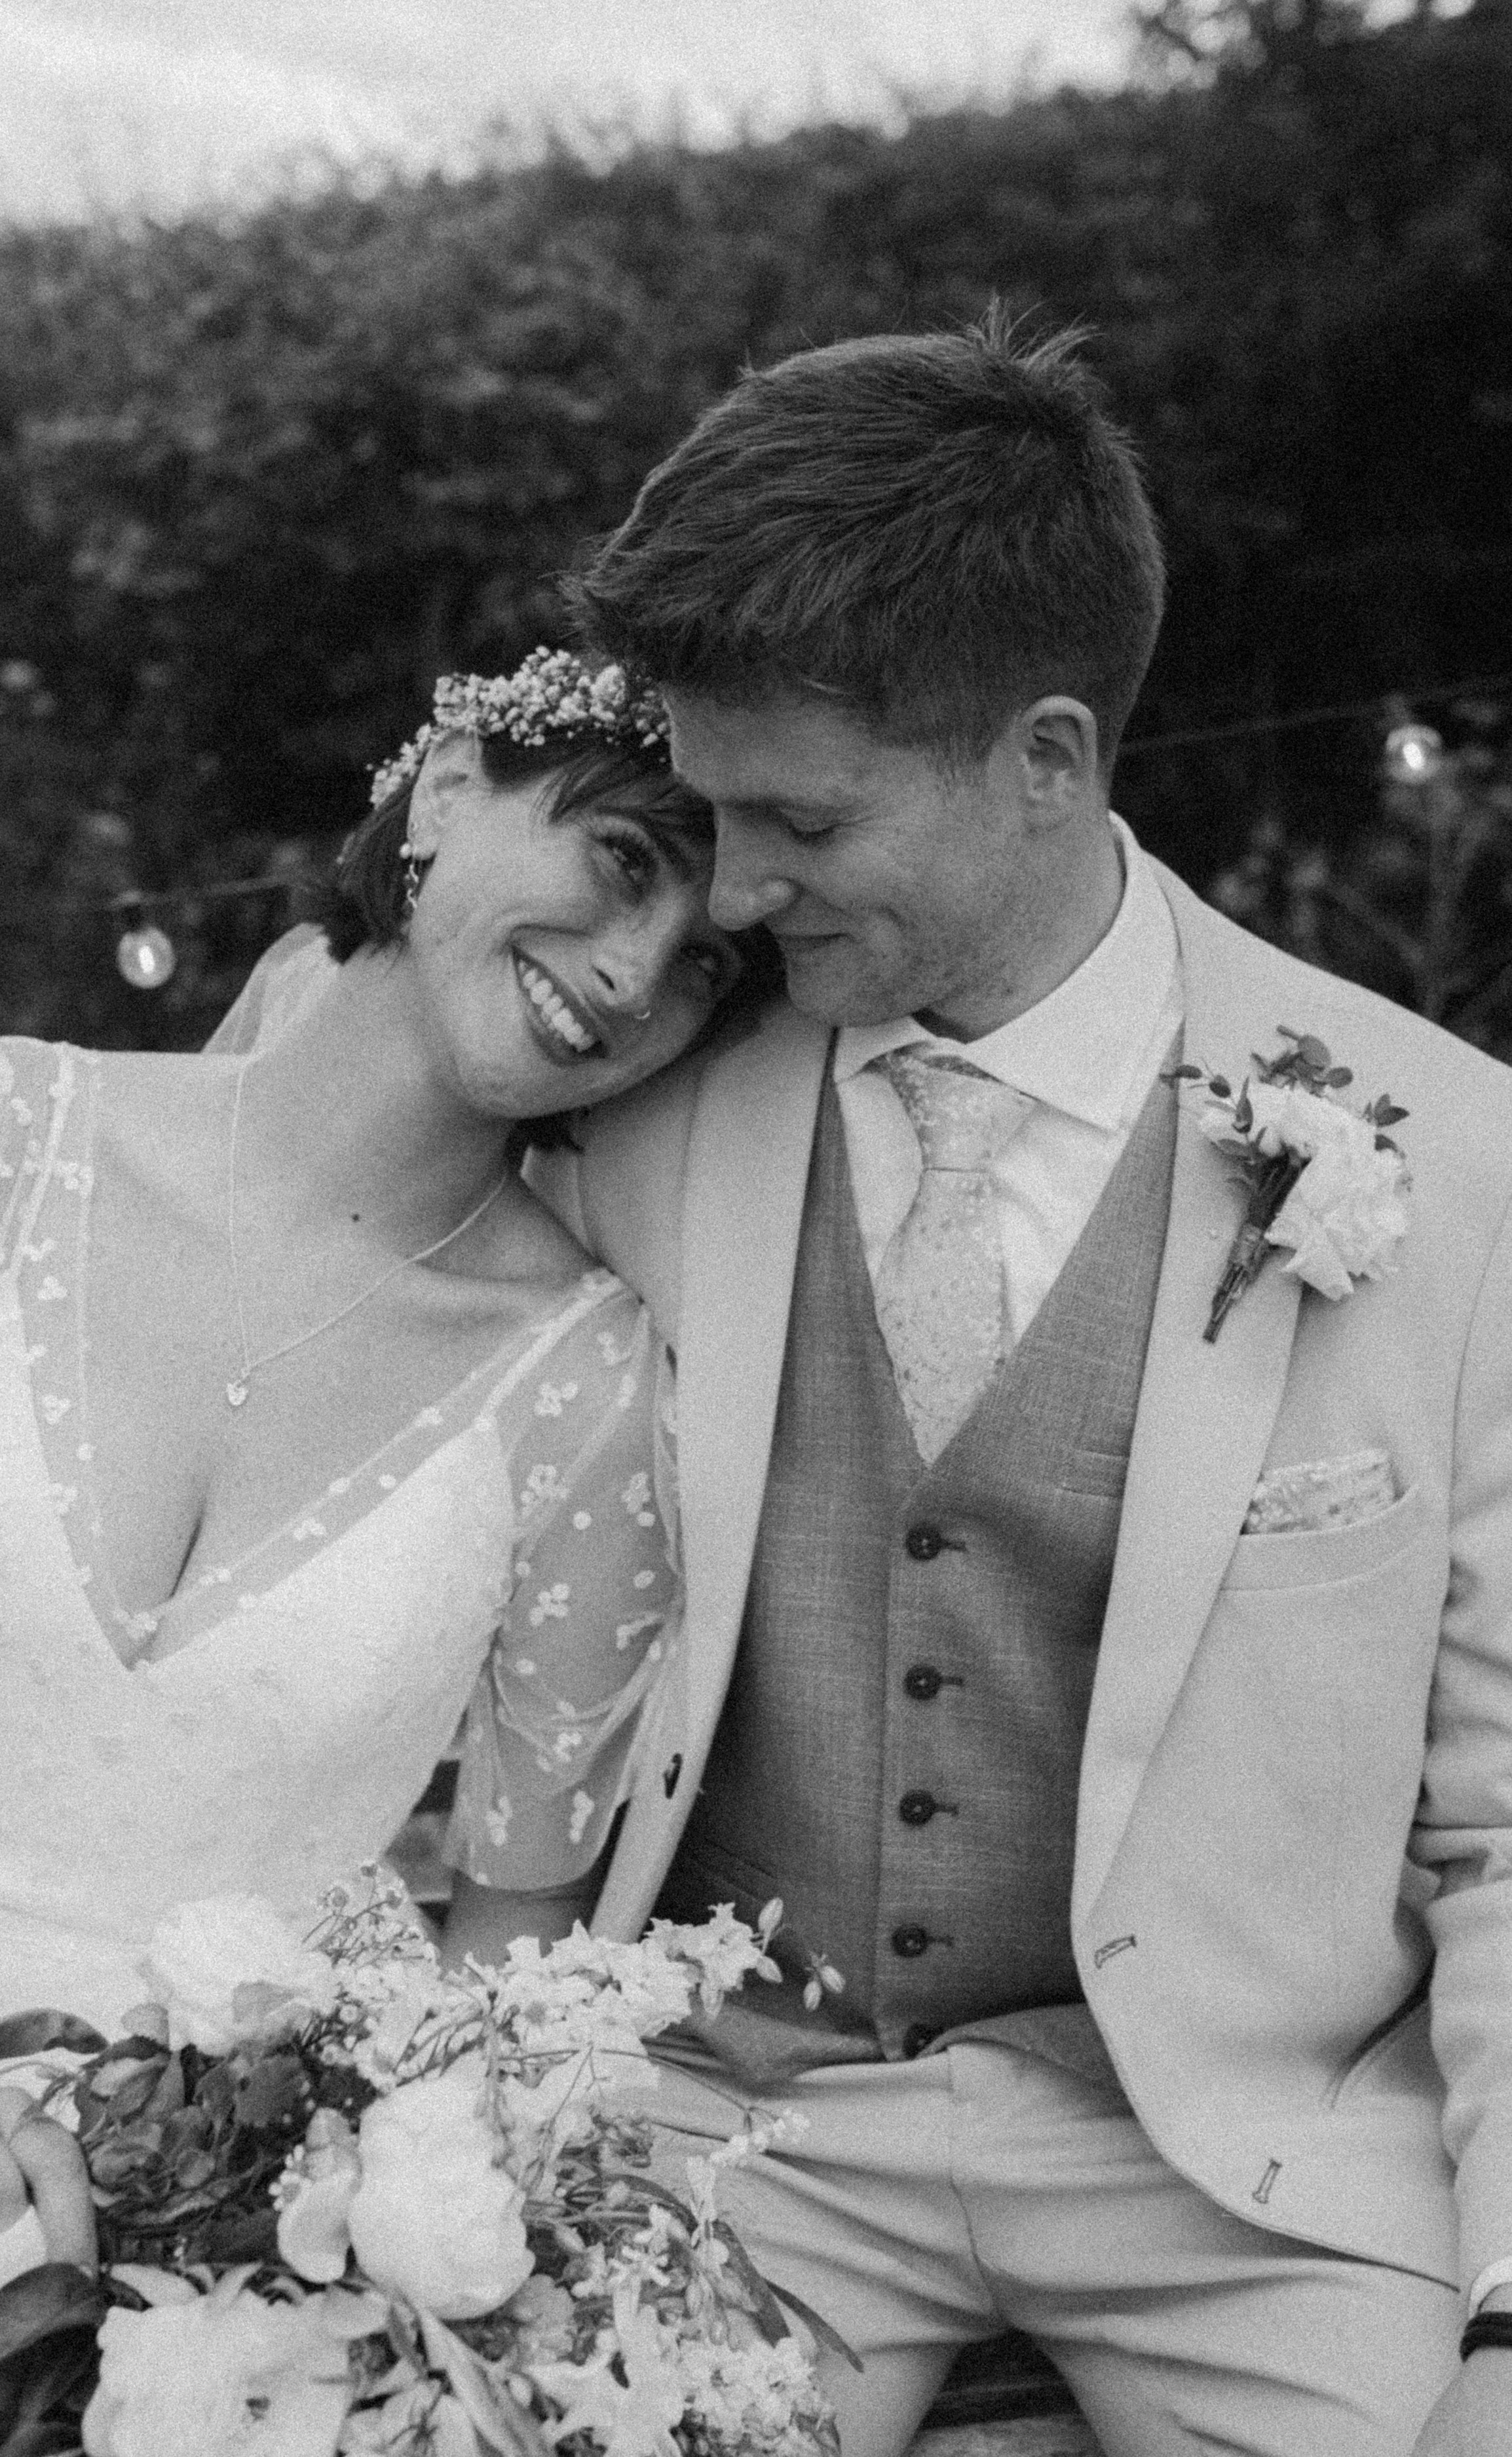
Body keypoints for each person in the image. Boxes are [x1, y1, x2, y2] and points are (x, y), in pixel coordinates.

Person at [514, 316, 1512, 2457]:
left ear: (1048, 758)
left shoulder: (1452, 1162)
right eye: (707, 813)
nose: (737, 890)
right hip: (738, 2129)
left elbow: (1510, 1815)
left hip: (1241, 2172)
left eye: (797, 819)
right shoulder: (632, 1112)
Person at [0, 650, 774, 2291]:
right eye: (622, 864)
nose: (639, 973)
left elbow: (511, 1945)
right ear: (442, 798)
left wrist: (359, 2268)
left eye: (706, 966)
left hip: (217, 2247)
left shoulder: (588, 1388)